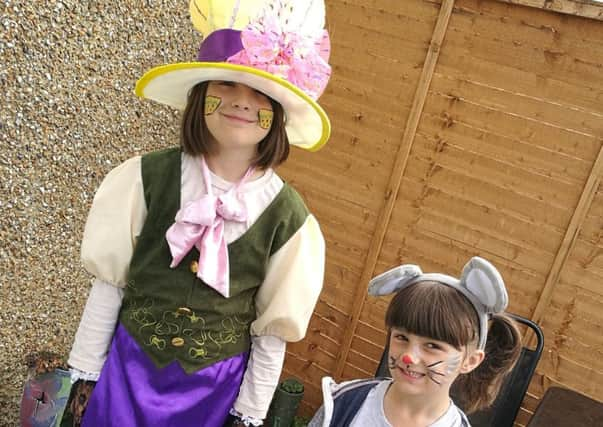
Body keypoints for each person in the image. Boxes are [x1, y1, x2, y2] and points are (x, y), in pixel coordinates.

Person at [63, 0, 332, 426]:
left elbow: (270, 336)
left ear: (278, 113)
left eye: (261, 92)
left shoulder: (289, 221)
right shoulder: (142, 179)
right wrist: (84, 380)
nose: (241, 101)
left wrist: (248, 415)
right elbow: (108, 287)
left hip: (211, 395)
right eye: (225, 82)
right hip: (126, 376)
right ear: (200, 93)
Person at [309, 257, 522, 427]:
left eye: (433, 346)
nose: (409, 356)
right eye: (402, 337)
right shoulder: (345, 403)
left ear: (470, 361)